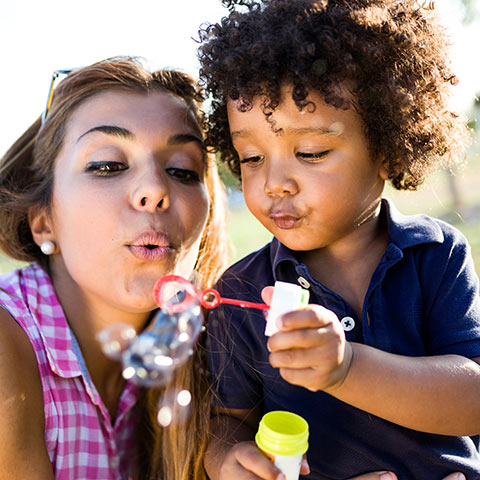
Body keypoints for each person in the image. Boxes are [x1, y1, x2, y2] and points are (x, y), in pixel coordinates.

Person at [197, 0, 480, 479]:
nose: (274, 183)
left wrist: (346, 368)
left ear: (388, 150)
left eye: (310, 151)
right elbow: (228, 420)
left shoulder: (436, 255)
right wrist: (226, 458)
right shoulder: (241, 293)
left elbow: (473, 399)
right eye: (250, 157)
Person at [0, 57, 229, 479]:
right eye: (107, 165)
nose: (155, 190)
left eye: (182, 169)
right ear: (43, 220)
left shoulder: (209, 351)